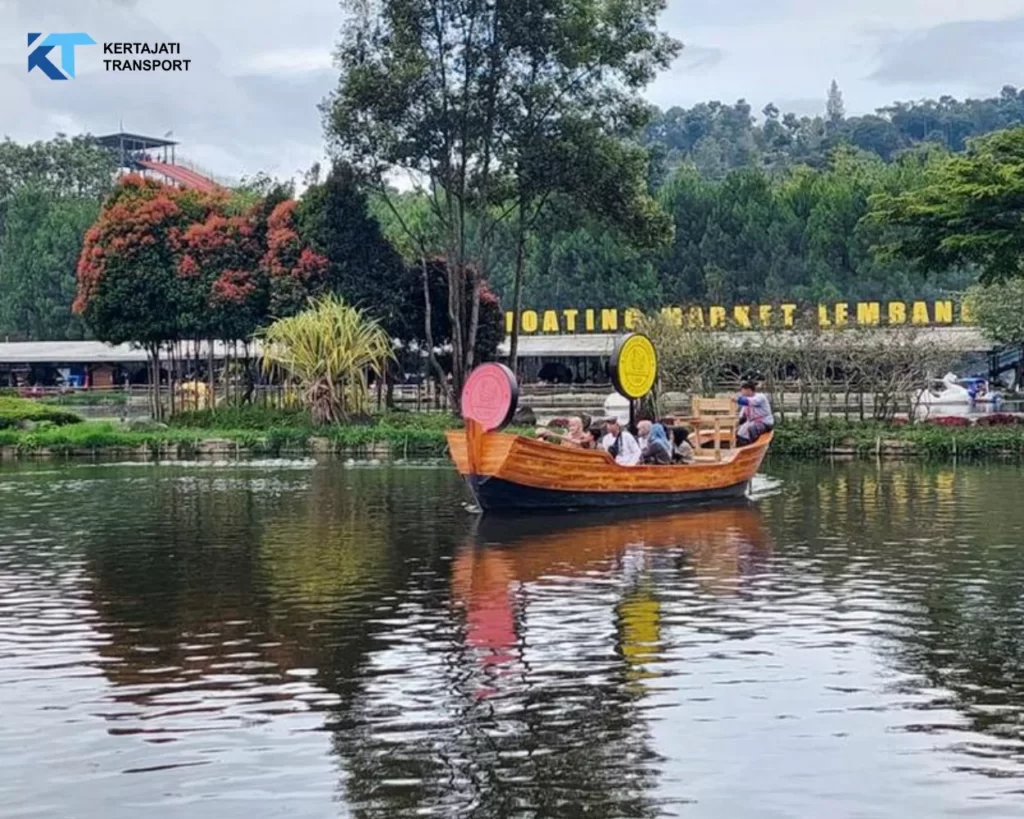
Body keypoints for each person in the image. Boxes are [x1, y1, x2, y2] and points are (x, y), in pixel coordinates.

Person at [736, 381, 774, 446]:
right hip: (751, 421)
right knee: (739, 432)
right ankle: (743, 447)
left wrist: (737, 400)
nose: (741, 393)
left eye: (743, 391)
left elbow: (750, 402)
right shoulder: (746, 401)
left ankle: (754, 446)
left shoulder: (760, 397)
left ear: (749, 390)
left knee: (752, 428)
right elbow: (742, 415)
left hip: (764, 422)